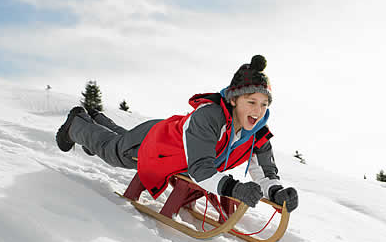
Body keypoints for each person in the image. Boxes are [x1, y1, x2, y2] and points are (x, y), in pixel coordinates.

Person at [55, 55, 298, 211]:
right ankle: (76, 124)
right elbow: (201, 170)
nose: (258, 111)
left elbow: (264, 171)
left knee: (119, 140)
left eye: (264, 104)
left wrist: (277, 192)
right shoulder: (209, 117)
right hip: (157, 143)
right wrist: (234, 189)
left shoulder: (257, 131)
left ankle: (97, 119)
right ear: (234, 100)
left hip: (176, 146)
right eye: (251, 101)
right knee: (113, 151)